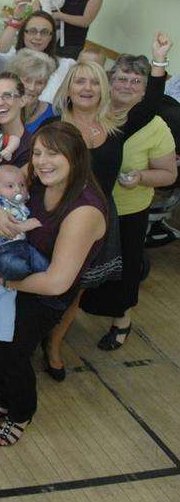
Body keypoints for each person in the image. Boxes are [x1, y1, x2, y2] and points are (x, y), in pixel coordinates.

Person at [35, 47, 166, 380]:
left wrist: (160, 60)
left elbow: (151, 103)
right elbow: (32, 168)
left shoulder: (119, 124)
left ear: (103, 89)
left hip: (94, 222)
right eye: (80, 81)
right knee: (43, 280)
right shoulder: (55, 125)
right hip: (54, 215)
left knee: (75, 288)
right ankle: (26, 339)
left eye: (94, 82)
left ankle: (53, 347)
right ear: (69, 87)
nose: (87, 88)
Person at [0, 122, 106, 446]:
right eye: (37, 153)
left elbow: (57, 282)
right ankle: (5, 399)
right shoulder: (36, 178)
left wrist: (7, 282)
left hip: (44, 295)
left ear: (75, 157)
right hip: (17, 278)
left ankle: (20, 413)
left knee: (14, 354)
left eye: (53, 153)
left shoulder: (84, 210)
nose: (42, 161)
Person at [81, 48, 176, 349]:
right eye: (122, 78)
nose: (127, 85)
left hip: (129, 210)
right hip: (88, 207)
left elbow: (168, 175)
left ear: (146, 90)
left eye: (136, 81)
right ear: (110, 81)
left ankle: (122, 321)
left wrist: (142, 178)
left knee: (125, 268)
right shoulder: (95, 112)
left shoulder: (153, 125)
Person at [0, 165, 47, 343]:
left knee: (43, 266)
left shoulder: (22, 203)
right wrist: (24, 226)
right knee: (16, 267)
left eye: (22, 185)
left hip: (20, 246)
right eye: (10, 186)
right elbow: (6, 229)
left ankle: (29, 282)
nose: (17, 189)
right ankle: (8, 279)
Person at [0, 9, 73, 103]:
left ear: (51, 37)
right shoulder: (10, 59)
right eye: (32, 31)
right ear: (23, 34)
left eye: (44, 32)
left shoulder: (64, 66)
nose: (38, 37)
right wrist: (16, 19)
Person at [8, 48, 59, 133]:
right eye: (27, 80)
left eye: (39, 83)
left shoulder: (53, 115)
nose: (32, 88)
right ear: (14, 79)